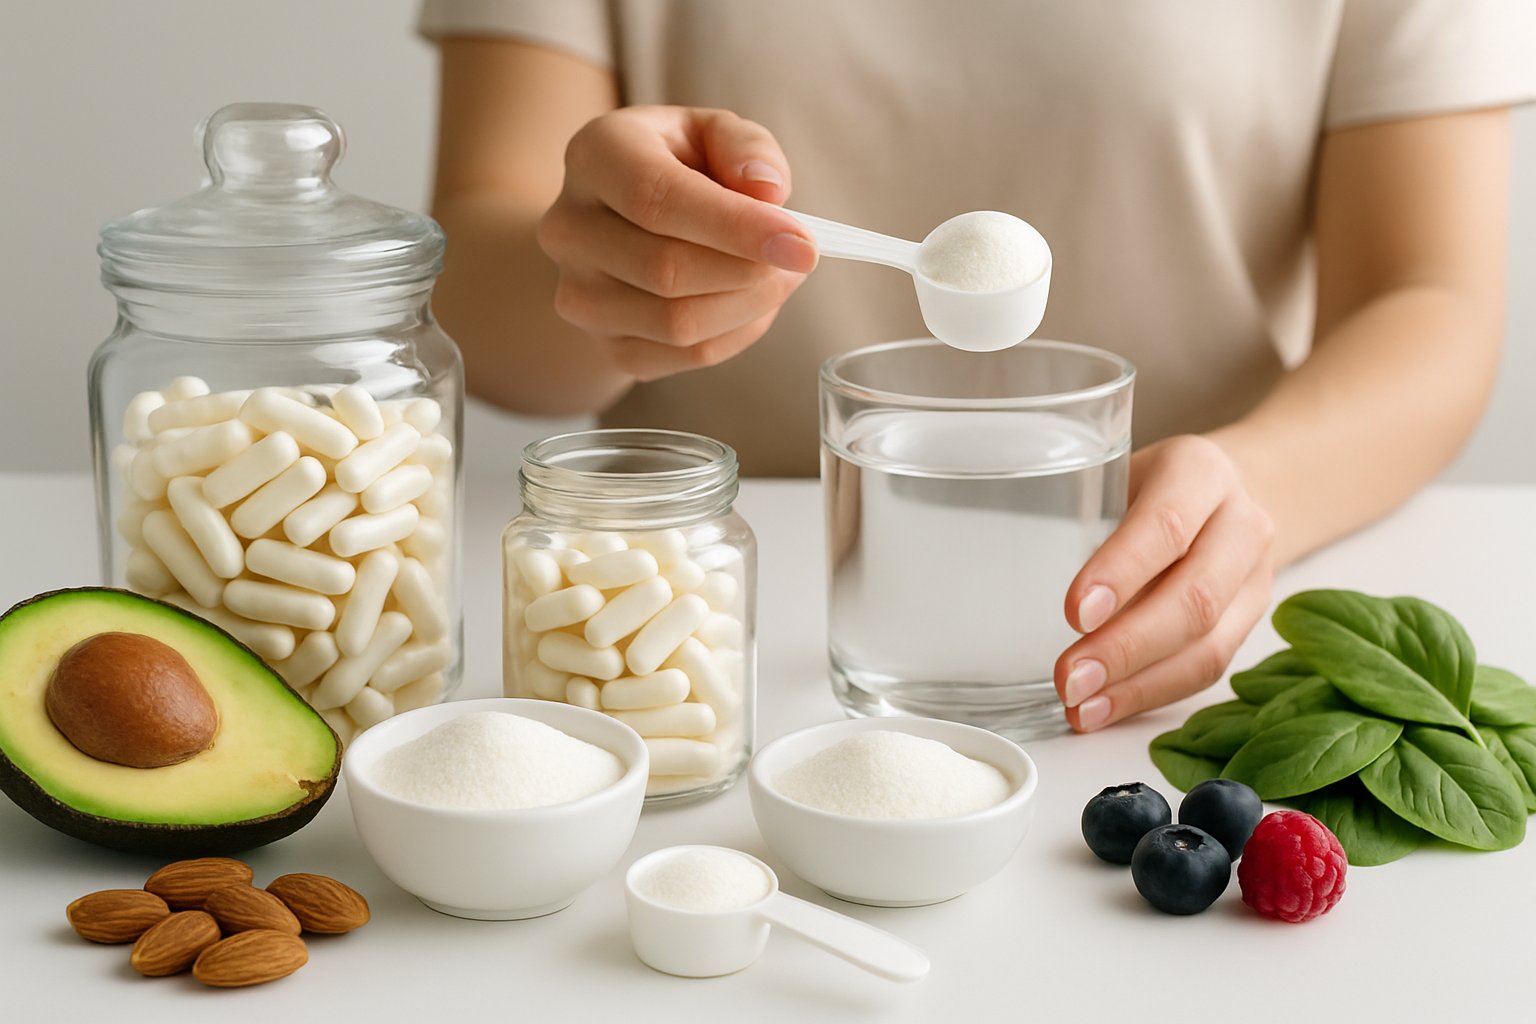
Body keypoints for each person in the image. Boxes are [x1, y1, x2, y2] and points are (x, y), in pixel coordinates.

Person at [419, 1, 1534, 731]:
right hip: (711, 670)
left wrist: (1258, 494)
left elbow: (1426, 299)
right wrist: (619, 273)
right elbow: (476, 279)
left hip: (1177, 661)